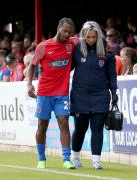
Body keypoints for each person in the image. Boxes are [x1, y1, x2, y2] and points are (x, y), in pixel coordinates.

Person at [26, 17, 78, 169]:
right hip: (44, 92)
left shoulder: (72, 43)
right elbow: (32, 66)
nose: (67, 34)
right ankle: (41, 159)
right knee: (42, 125)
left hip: (62, 93)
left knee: (64, 122)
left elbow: (88, 37)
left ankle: (66, 160)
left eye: (70, 32)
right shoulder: (43, 46)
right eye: (64, 31)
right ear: (58, 28)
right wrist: (29, 84)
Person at [70, 21, 118, 170]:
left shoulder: (107, 51)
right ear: (83, 36)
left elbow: (111, 74)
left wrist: (114, 92)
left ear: (98, 36)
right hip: (80, 95)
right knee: (80, 128)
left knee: (97, 127)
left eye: (93, 37)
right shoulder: (76, 50)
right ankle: (75, 157)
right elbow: (65, 70)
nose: (91, 39)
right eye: (88, 37)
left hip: (100, 95)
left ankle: (96, 161)